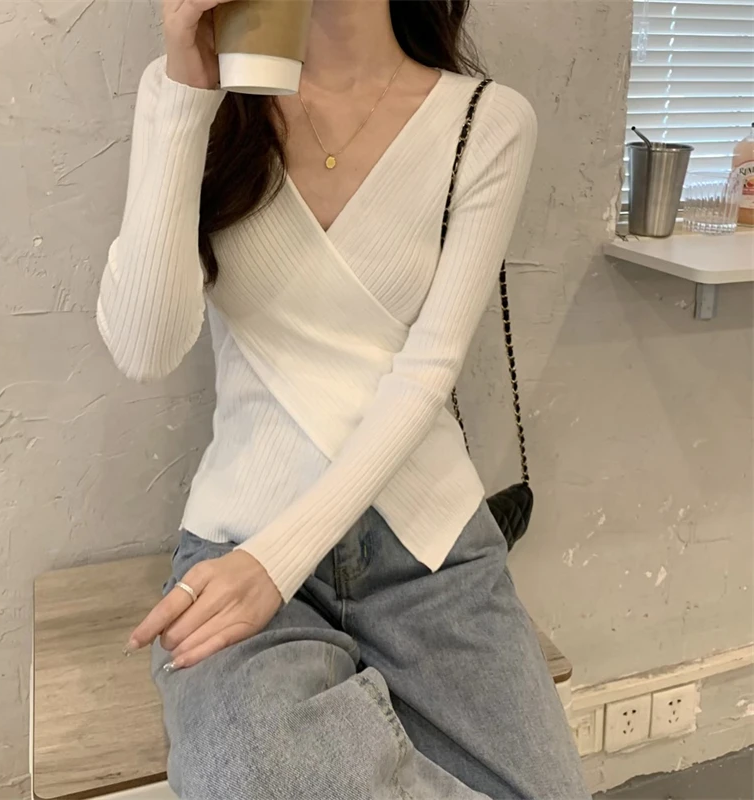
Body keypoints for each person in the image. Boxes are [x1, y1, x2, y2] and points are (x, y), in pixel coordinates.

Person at [98, 0, 589, 797]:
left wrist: (279, 562)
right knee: (256, 773)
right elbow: (144, 348)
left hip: (429, 550)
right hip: (240, 536)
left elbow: (428, 371)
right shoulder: (201, 97)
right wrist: (185, 91)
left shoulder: (485, 121)